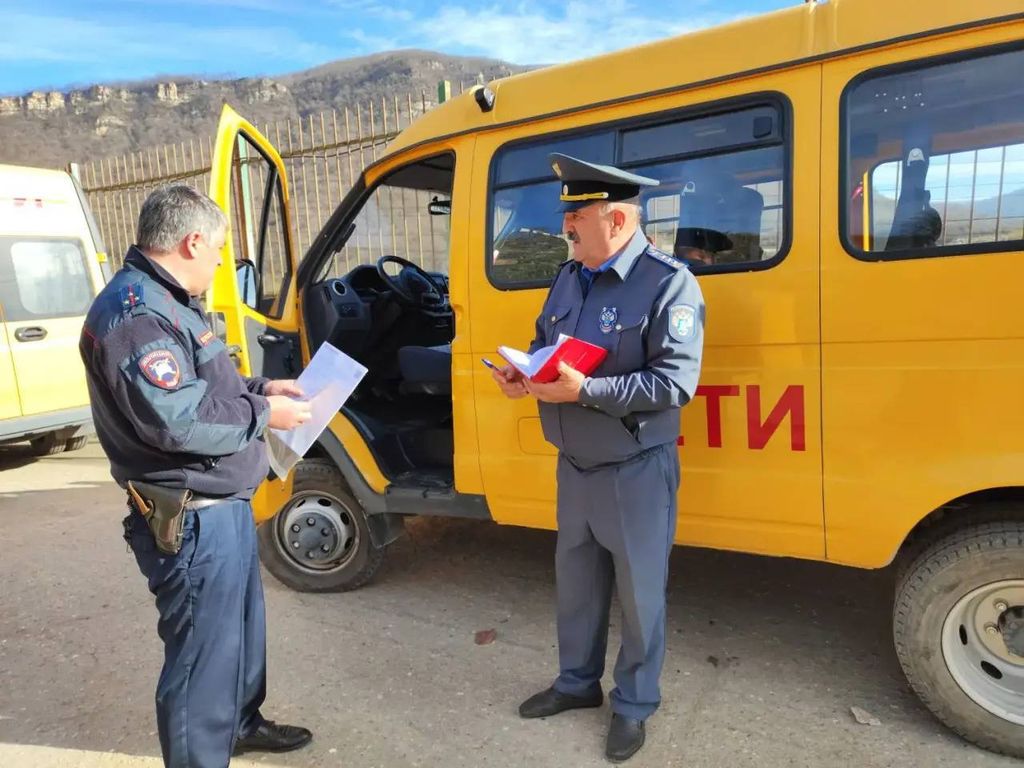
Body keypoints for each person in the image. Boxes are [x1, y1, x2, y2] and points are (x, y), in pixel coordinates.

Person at [79, 185, 314, 767]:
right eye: (218, 251)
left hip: (222, 504)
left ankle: (239, 723)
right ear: (191, 241)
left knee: (237, 635)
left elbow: (206, 390)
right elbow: (177, 422)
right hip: (188, 514)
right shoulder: (134, 314)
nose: (220, 262)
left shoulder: (172, 300)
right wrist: (265, 416)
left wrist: (262, 389)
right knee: (199, 659)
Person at [492, 154, 705, 763]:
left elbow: (674, 384)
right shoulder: (570, 276)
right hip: (575, 465)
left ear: (614, 221)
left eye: (576, 217)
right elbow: (544, 344)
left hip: (635, 467)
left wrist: (585, 391)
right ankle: (576, 685)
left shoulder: (668, 283)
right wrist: (523, 372)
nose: (566, 228)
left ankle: (634, 704)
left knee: (641, 596)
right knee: (577, 586)